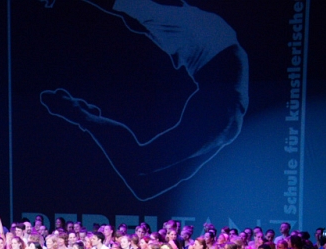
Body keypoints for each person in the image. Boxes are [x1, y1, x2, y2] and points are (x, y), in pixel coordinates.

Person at [39, 0, 249, 200]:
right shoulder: (163, 15)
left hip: (226, 109)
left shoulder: (176, 18)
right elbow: (116, 5)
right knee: (142, 170)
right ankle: (81, 115)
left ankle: (84, 116)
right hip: (223, 107)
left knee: (144, 186)